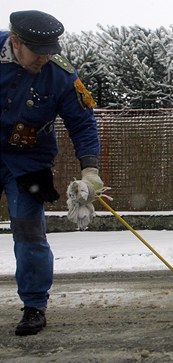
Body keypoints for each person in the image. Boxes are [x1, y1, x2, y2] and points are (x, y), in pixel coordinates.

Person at [0, 10, 103, 336]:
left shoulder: (60, 75)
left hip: (29, 162)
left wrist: (90, 171)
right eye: (37, 51)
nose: (45, 58)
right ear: (15, 42)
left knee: (29, 232)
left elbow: (83, 123)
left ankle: (34, 306)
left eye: (50, 51)